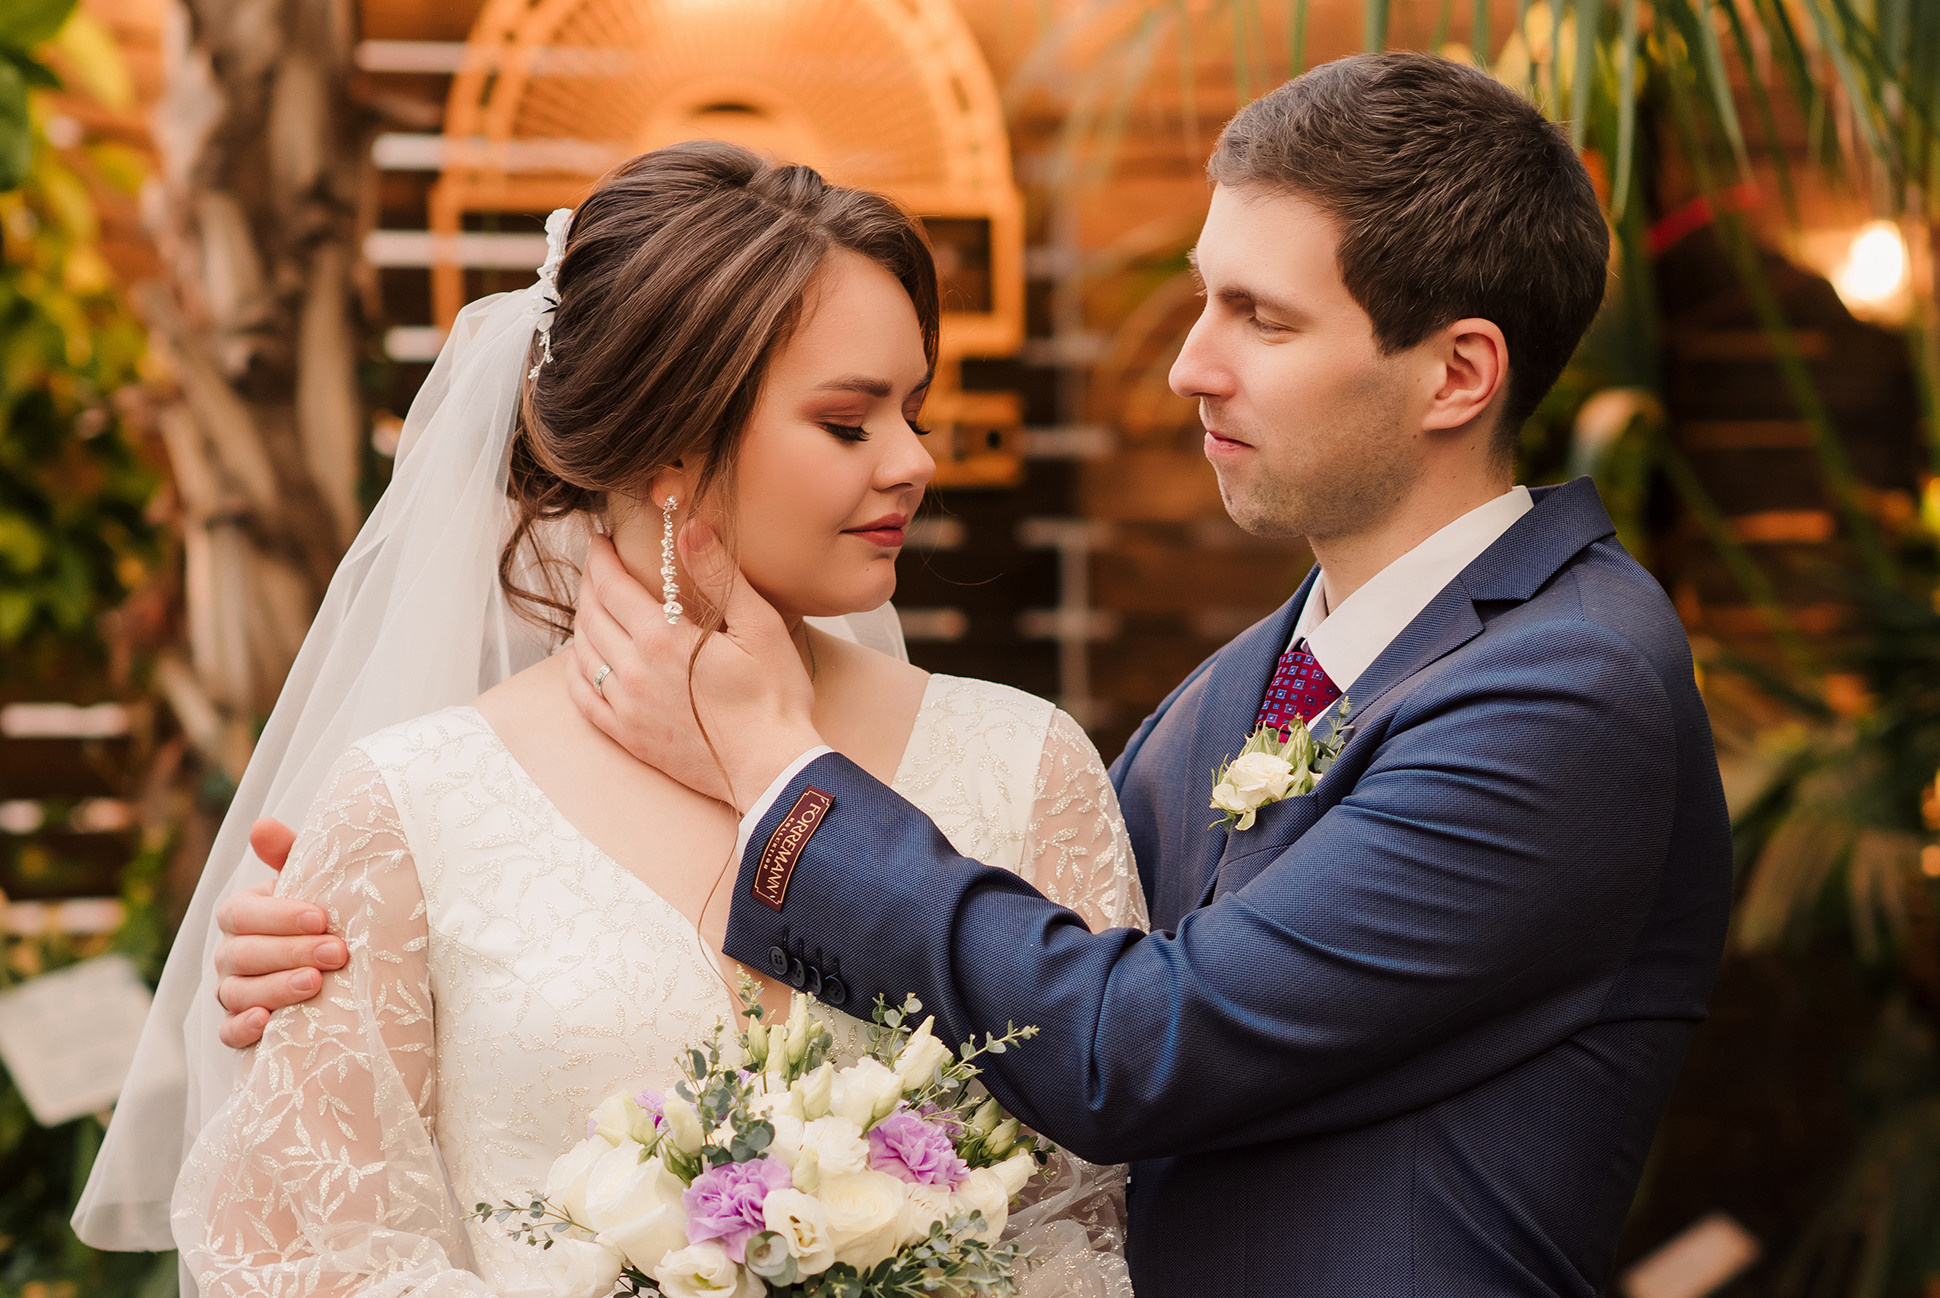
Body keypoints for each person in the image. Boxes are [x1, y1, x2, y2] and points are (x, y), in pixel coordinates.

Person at [214, 54, 1735, 1297]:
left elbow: (1130, 1042)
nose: (1188, 364)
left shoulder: (1567, 688)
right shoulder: (1238, 688)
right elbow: (1033, 939)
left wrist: (778, 771)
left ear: (1458, 373)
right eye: (1207, 296)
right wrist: (310, 955)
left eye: (1258, 318)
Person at [77, 142, 1141, 1297]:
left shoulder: (1023, 762)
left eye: (913, 409)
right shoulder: (413, 801)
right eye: (849, 423)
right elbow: (303, 1258)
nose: (915, 460)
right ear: (671, 454)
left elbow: (1088, 1219)